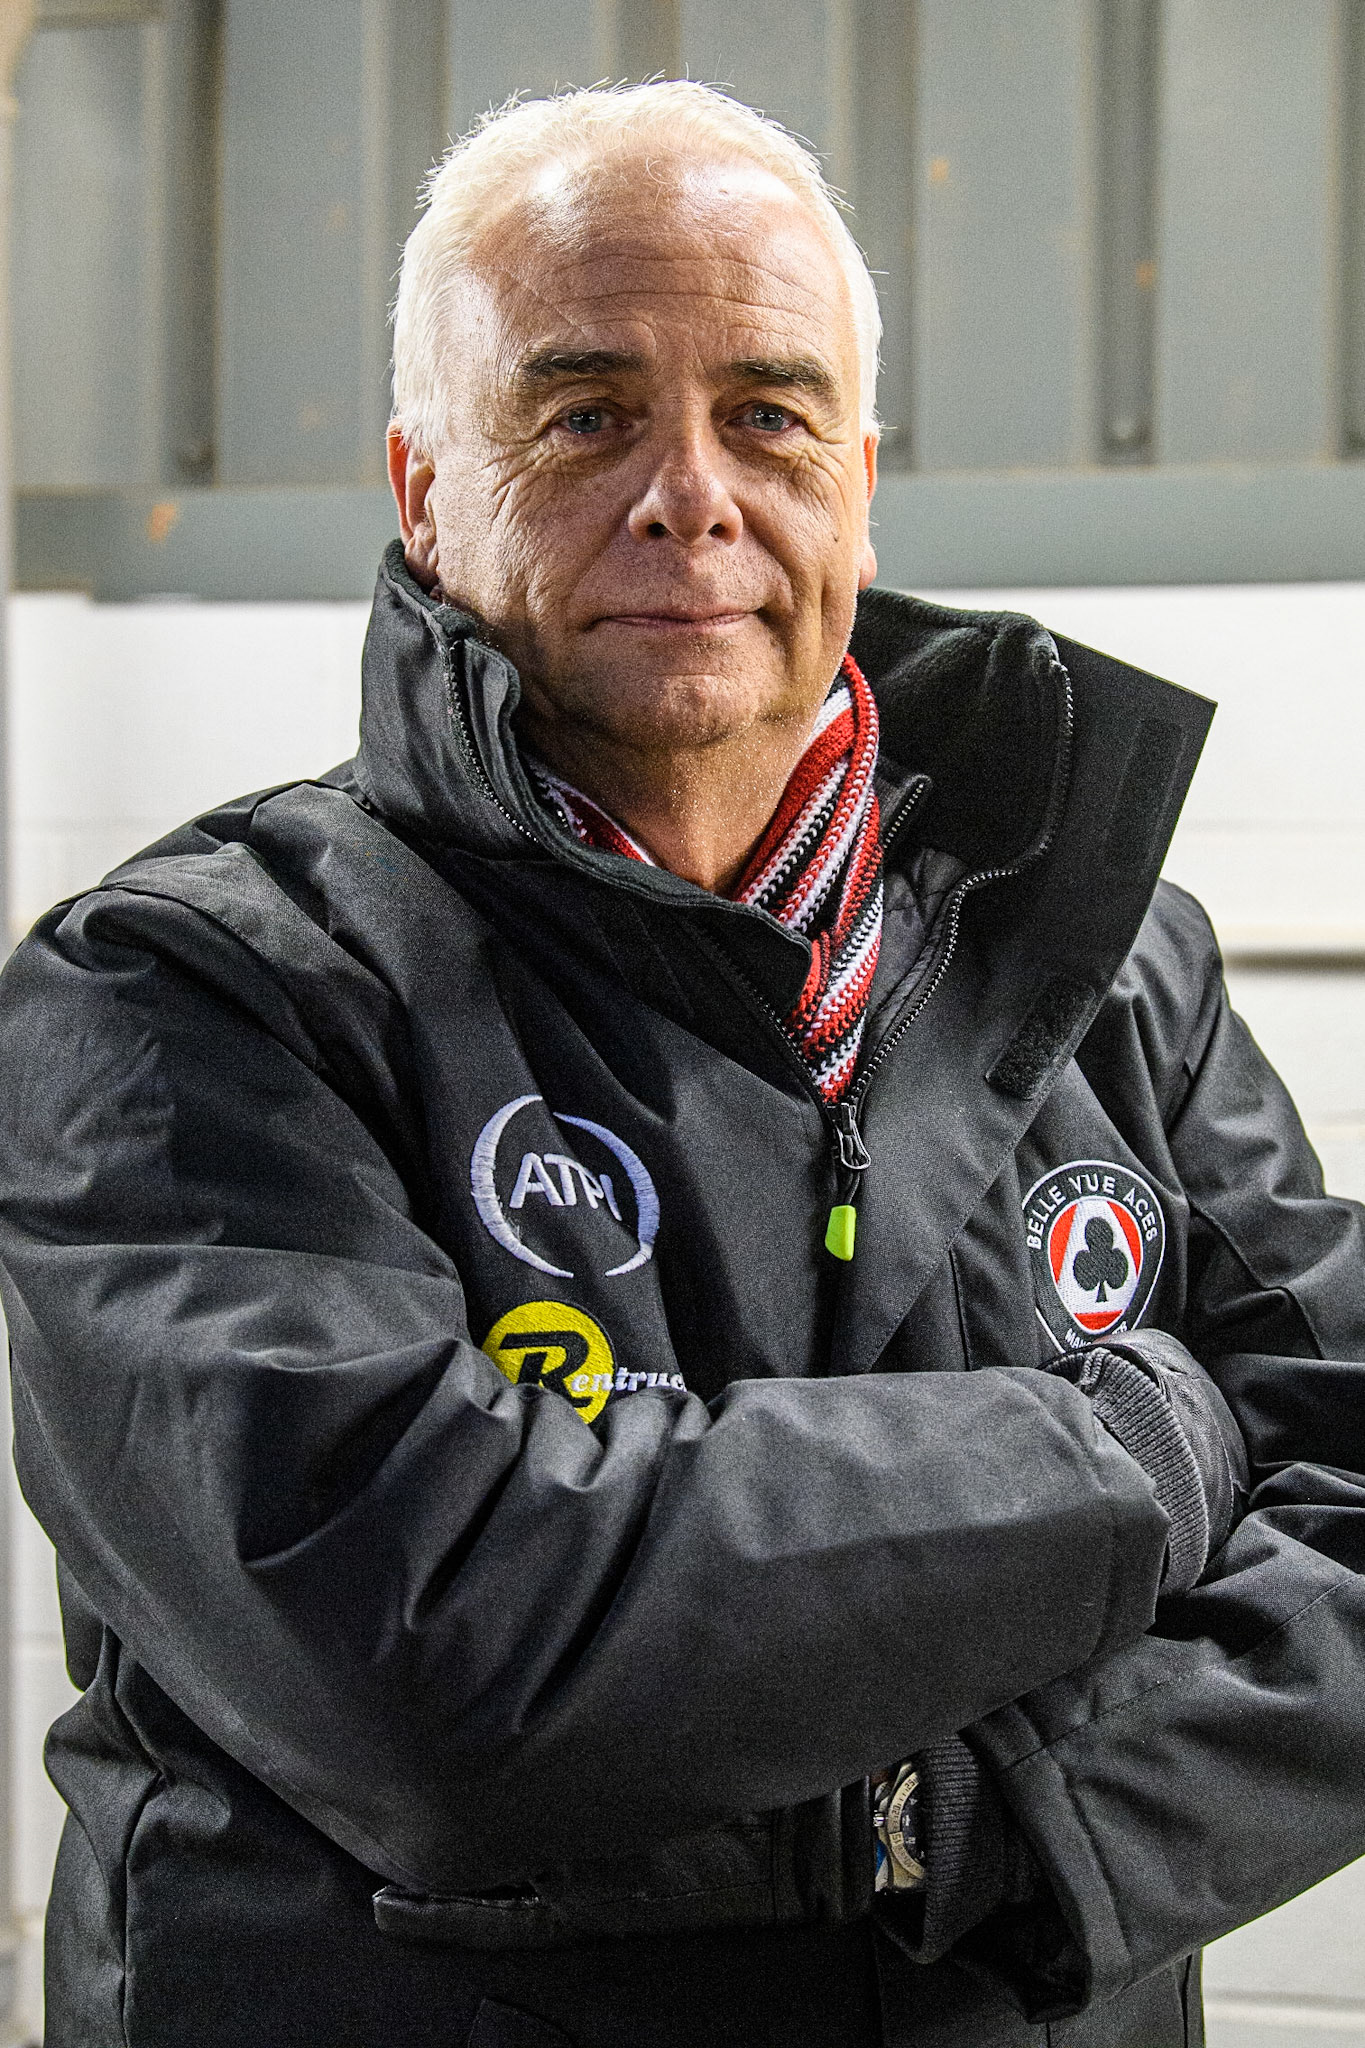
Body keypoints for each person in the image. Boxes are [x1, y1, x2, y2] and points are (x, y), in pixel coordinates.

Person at [0, 79, 1362, 2048]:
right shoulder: (184, 991)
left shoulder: (1108, 963)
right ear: (417, 485)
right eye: (582, 416)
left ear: (859, 478)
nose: (689, 494)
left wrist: (993, 1831)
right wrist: (1137, 1448)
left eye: (766, 413)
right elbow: (438, 1653)